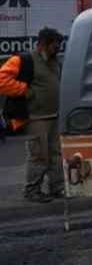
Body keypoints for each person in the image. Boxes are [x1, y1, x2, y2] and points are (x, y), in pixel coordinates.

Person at [0, 28, 65, 203]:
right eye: (54, 45)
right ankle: (32, 190)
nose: (57, 48)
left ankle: (57, 188)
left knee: (56, 154)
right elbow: (2, 80)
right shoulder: (23, 60)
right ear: (43, 43)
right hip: (36, 118)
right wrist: (24, 91)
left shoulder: (53, 62)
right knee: (39, 155)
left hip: (54, 116)